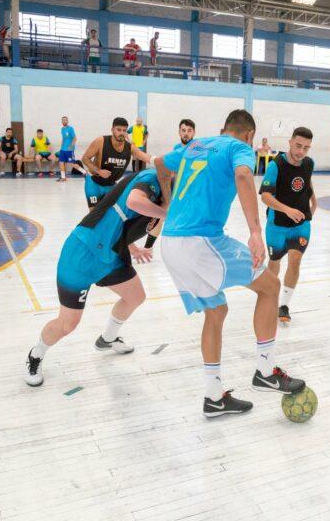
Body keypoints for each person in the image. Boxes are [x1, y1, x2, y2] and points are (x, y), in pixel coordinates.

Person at [155, 109, 306, 417]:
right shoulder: (239, 148)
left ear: (223, 128)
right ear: (249, 136)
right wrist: (254, 231)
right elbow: (242, 175)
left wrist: (167, 201)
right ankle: (265, 372)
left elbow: (159, 163)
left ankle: (214, 397)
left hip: (170, 243)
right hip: (200, 241)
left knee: (216, 311)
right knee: (270, 287)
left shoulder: (194, 146)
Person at [23, 165, 170, 387]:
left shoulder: (169, 192)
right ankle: (36, 354)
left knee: (135, 296)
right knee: (67, 324)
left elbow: (119, 220)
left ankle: (107, 339)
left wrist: (133, 247)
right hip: (82, 252)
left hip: (110, 256)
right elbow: (133, 202)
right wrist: (167, 213)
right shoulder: (151, 177)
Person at [259, 127, 316, 325]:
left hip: (300, 224)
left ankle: (284, 305)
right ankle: (268, 296)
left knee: (295, 261)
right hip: (277, 225)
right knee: (274, 264)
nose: (301, 151)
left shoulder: (309, 163)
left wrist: (314, 202)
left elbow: (307, 183)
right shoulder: (276, 165)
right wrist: (287, 210)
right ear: (290, 142)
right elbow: (265, 196)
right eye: (298, 145)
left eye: (306, 148)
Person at [143, 118, 195, 250]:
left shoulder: (198, 148)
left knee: (190, 222)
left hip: (192, 192)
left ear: (193, 133)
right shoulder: (177, 149)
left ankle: (188, 250)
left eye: (189, 131)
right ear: (179, 132)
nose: (186, 133)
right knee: (161, 216)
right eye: (183, 130)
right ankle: (148, 247)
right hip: (175, 190)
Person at [81, 117, 154, 208]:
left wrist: (164, 162)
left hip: (111, 185)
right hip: (94, 184)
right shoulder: (101, 141)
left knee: (112, 215)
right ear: (112, 130)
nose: (122, 133)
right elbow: (85, 158)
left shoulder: (129, 147)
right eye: (118, 130)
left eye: (124, 130)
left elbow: (146, 157)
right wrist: (98, 171)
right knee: (94, 216)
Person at [57, 116, 77, 182]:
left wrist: (71, 147)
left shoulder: (70, 128)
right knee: (61, 162)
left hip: (69, 149)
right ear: (61, 121)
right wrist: (61, 147)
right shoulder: (62, 129)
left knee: (71, 164)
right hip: (63, 149)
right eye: (63, 120)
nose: (64, 121)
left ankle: (85, 172)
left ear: (67, 121)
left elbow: (75, 138)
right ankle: (63, 177)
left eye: (65, 120)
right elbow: (63, 138)